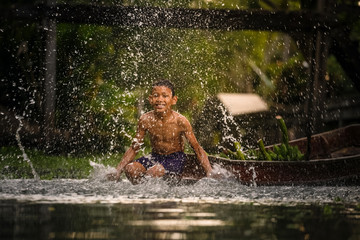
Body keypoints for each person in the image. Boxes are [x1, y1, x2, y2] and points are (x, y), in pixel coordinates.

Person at [110, 80, 213, 184]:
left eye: (165, 96)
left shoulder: (180, 121)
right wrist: (117, 171)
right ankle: (142, 192)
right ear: (150, 99)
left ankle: (150, 188)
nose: (160, 99)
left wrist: (210, 173)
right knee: (130, 169)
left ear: (174, 100)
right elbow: (134, 147)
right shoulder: (145, 120)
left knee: (154, 171)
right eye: (156, 95)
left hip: (176, 158)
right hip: (155, 156)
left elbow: (197, 148)